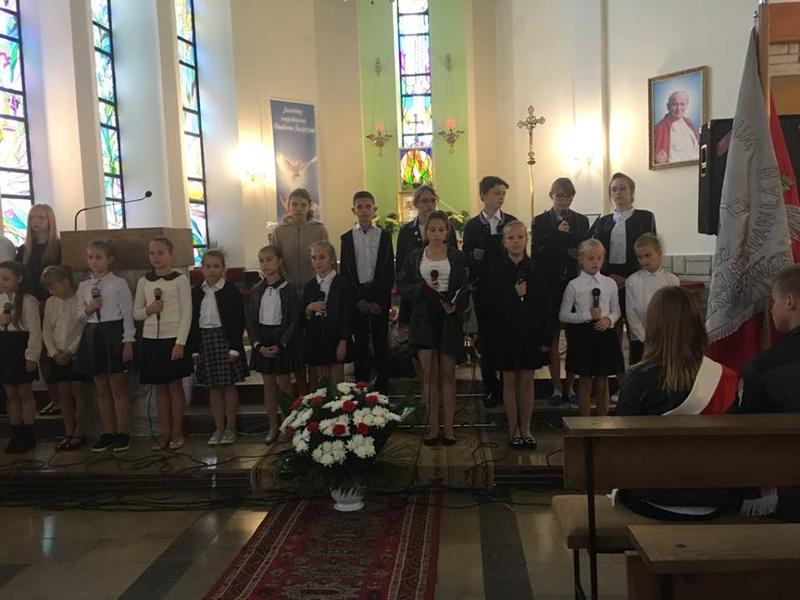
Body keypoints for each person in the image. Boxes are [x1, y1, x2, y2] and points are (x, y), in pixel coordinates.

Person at [616, 286, 739, 520]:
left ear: (654, 326)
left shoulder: (639, 378)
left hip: (653, 497)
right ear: (696, 323)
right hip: (714, 497)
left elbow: (622, 442)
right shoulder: (724, 377)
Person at [398, 211, 469, 446]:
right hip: (423, 316)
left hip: (448, 316)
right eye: (432, 229)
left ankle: (448, 429)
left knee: (447, 374)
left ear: (447, 232)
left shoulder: (457, 257)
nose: (437, 234)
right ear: (426, 232)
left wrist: (455, 304)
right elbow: (403, 285)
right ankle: (432, 427)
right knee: (429, 375)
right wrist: (422, 290)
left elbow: (465, 287)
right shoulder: (415, 257)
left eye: (441, 229)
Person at [488, 221, 552, 449]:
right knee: (509, 380)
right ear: (504, 242)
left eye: (520, 237)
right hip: (505, 333)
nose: (516, 242)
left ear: (526, 240)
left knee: (527, 380)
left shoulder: (535, 268)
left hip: (530, 333)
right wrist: (512, 294)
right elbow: (490, 303)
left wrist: (545, 338)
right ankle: (512, 428)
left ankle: (526, 428)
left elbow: (545, 305)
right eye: (511, 238)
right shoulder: (496, 269)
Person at [73, 239, 135, 452]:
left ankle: (122, 432)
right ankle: (108, 431)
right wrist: (89, 308)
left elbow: (127, 314)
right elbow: (78, 316)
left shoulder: (118, 283)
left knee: (117, 387)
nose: (94, 262)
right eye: (90, 257)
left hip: (113, 332)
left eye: (98, 257)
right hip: (93, 333)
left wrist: (128, 341)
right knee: (101, 388)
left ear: (109, 260)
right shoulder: (84, 286)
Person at [532, 177, 589, 405]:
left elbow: (586, 248)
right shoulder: (540, 221)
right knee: (553, 338)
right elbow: (537, 253)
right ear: (552, 195)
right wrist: (559, 236)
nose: (564, 200)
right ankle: (556, 387)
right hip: (549, 285)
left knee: (575, 337)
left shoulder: (581, 220)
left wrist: (578, 254)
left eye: (568, 196)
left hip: (574, 282)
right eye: (560, 196)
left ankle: (571, 387)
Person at [462, 175, 518, 406]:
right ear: (483, 195)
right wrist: (473, 256)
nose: (500, 197)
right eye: (496, 193)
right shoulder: (473, 226)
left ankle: (508, 386)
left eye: (503, 193)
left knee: (507, 337)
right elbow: (465, 257)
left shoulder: (511, 222)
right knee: (486, 340)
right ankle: (490, 386)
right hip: (484, 289)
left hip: (508, 289)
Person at [133, 237, 193, 450]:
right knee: (159, 388)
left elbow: (187, 313)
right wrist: (149, 310)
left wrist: (180, 342)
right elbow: (136, 313)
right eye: (152, 253)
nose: (156, 257)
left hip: (173, 339)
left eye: (160, 253)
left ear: (170, 254)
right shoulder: (144, 281)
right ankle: (164, 432)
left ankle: (177, 431)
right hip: (151, 340)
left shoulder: (179, 280)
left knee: (175, 386)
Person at [187, 250, 248, 446]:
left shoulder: (231, 290)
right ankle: (218, 427)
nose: (212, 270)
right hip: (205, 340)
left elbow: (238, 320)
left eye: (216, 266)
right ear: (201, 269)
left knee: (228, 385)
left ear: (223, 269)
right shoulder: (196, 292)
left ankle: (230, 427)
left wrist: (235, 348)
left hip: (225, 339)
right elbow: (192, 321)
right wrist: (194, 349)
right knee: (212, 387)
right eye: (208, 266)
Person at [559, 240, 624, 416]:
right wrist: (586, 315)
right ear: (581, 259)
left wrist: (609, 320)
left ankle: (603, 420)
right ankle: (585, 422)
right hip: (584, 334)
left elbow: (616, 310)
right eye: (591, 258)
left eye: (599, 258)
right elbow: (563, 315)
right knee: (585, 380)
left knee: (603, 380)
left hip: (605, 332)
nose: (595, 262)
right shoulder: (574, 285)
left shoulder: (609, 283)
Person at [272, 188, 326, 394]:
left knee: (314, 342)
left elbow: (326, 257)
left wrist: (316, 283)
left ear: (309, 206)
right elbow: (277, 260)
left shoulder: (319, 229)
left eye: (303, 204)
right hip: (289, 290)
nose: (298, 208)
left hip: (314, 289)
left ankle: (315, 390)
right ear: (288, 206)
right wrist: (289, 283)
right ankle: (302, 391)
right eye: (294, 204)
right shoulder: (279, 232)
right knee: (296, 342)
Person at [339, 190, 395, 393]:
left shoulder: (384, 236)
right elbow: (346, 273)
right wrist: (357, 300)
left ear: (374, 210)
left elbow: (388, 271)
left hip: (378, 295)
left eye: (368, 206)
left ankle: (383, 386)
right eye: (360, 207)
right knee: (360, 343)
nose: (364, 210)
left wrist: (380, 300)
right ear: (353, 210)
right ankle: (361, 386)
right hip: (358, 295)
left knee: (381, 341)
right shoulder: (346, 239)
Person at [247, 245, 302, 444]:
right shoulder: (256, 290)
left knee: (284, 386)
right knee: (268, 387)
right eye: (262, 260)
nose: (265, 264)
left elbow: (294, 319)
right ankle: (272, 427)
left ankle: (288, 426)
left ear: (279, 262)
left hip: (281, 340)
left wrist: (282, 343)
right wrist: (257, 344)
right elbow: (251, 320)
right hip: (264, 339)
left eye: (269, 259)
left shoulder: (289, 289)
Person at [395, 185, 457, 340]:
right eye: (425, 201)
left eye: (432, 200)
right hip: (416, 298)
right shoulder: (407, 231)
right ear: (416, 204)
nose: (429, 204)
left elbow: (455, 260)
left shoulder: (447, 229)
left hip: (443, 295)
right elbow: (401, 266)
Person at [17, 204, 62, 417]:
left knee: (56, 347)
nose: (36, 222)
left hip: (54, 302)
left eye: (41, 217)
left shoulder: (59, 247)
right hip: (31, 304)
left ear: (50, 220)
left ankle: (65, 398)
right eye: (33, 218)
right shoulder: (24, 249)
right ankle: (54, 399)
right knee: (42, 353)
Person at [41, 266, 89, 451]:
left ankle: (80, 431)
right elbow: (47, 329)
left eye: (53, 287)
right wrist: (54, 352)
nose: (50, 292)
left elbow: (84, 327)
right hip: (58, 353)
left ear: (65, 282)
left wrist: (71, 350)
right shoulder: (51, 302)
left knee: (78, 390)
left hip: (77, 353)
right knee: (63, 393)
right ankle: (68, 431)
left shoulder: (80, 299)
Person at [740, 265, 800, 413]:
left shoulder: (761, 368)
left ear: (789, 302)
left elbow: (748, 425)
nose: (772, 310)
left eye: (774, 301)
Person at [0, 261, 41, 453]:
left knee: (24, 392)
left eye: (6, 278)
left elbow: (35, 331)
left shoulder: (28, 300)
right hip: (4, 345)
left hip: (20, 346)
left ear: (19, 279)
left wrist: (32, 356)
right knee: (10, 393)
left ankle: (28, 432)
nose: (2, 282)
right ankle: (15, 432)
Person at [624, 233, 680, 366]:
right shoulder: (632, 280)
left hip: (665, 337)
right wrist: (643, 337)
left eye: (648, 255)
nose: (644, 260)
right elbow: (631, 312)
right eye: (640, 257)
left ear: (659, 252)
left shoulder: (671, 280)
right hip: (640, 338)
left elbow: (674, 311)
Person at [303, 241, 352, 386]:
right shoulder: (310, 285)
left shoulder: (342, 284)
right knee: (322, 382)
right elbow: (304, 317)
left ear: (331, 259)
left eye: (322, 257)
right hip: (317, 335)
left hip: (335, 335)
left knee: (337, 382)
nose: (317, 261)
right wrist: (309, 308)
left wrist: (343, 341)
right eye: (314, 258)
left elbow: (347, 315)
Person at [653, 90, 699, 165]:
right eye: (674, 104)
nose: (678, 109)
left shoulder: (689, 123)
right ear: (668, 106)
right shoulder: (660, 128)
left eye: (682, 104)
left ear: (687, 106)